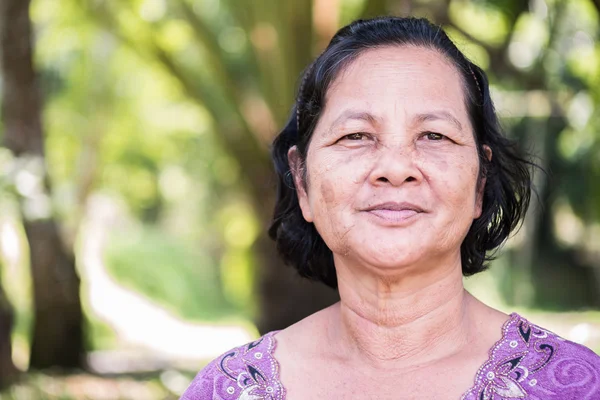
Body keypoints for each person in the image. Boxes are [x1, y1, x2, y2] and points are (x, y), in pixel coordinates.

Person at [181, 16, 600, 399]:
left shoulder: (575, 385)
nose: (396, 169)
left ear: (480, 182)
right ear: (303, 181)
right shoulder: (226, 389)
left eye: (434, 136)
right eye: (357, 136)